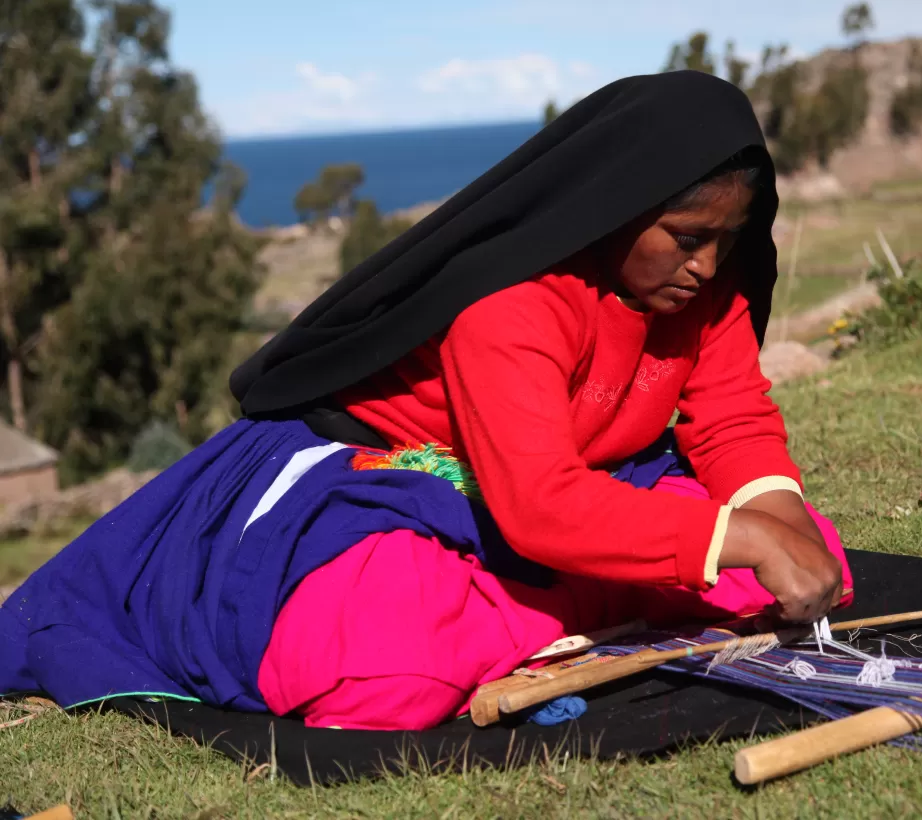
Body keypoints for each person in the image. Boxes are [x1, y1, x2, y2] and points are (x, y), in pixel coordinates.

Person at [0, 71, 852, 731]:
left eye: (727, 241)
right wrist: (733, 538)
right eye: (687, 238)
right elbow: (539, 506)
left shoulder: (710, 292)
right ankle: (537, 616)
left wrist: (779, 522)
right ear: (619, 208)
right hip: (392, 486)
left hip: (576, 482)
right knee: (385, 665)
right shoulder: (512, 302)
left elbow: (732, 417)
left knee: (810, 564)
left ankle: (535, 619)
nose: (706, 266)